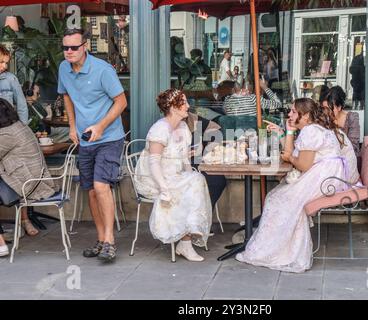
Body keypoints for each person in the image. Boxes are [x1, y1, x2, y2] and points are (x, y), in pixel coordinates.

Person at [236, 98, 349, 273]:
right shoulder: (310, 129)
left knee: (278, 199)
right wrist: (287, 132)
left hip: (325, 178)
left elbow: (302, 164)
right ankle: (277, 246)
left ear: (305, 116)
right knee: (277, 196)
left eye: (294, 112)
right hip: (326, 175)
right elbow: (290, 154)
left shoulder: (310, 131)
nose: (289, 114)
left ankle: (279, 251)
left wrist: (289, 159)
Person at [57, 28, 128, 262]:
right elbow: (66, 95)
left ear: (85, 46)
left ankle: (110, 241)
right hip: (85, 138)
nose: (69, 51)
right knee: (90, 189)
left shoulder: (102, 70)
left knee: (101, 186)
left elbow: (121, 102)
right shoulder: (63, 69)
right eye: (65, 47)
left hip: (109, 137)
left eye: (74, 47)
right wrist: (72, 126)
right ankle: (100, 239)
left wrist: (100, 126)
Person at [134, 89, 212, 262]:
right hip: (154, 179)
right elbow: (154, 164)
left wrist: (189, 174)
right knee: (191, 186)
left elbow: (184, 159)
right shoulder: (160, 129)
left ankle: (187, 238)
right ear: (172, 107)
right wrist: (163, 188)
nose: (188, 106)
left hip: (174, 175)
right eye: (183, 103)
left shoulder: (183, 127)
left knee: (197, 179)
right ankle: (185, 241)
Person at [0, 98, 58, 245]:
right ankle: (21, 223)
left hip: (29, 185)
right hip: (35, 180)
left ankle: (0, 242)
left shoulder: (6, 134)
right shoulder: (19, 126)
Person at [185, 112, 227, 235]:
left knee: (218, 180)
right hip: (177, 167)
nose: (188, 106)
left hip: (197, 163)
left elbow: (215, 129)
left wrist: (207, 149)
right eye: (184, 103)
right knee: (201, 183)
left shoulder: (193, 120)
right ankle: (193, 222)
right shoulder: (166, 126)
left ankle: (204, 218)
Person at [323, 86, 360, 155]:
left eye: (329, 108)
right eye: (324, 108)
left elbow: (353, 146)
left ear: (339, 107)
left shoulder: (351, 118)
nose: (326, 112)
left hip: (348, 158)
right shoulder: (324, 118)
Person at [0, 44, 28, 125]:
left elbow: (21, 105)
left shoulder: (11, 79)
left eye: (6, 63)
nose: (5, 66)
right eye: (1, 62)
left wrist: (23, 127)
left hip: (7, 128)